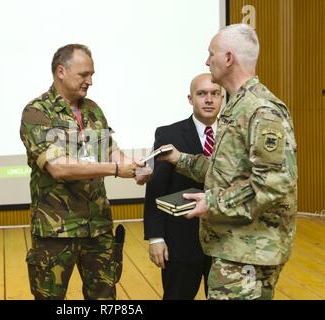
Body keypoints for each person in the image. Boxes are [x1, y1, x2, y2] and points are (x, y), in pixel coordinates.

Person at [158, 24, 298, 300]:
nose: (207, 61)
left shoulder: (261, 110)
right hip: (235, 246)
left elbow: (272, 183)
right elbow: (228, 170)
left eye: (211, 54)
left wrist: (212, 203)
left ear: (229, 58)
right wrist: (179, 158)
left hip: (249, 251)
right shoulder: (237, 105)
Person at [20, 44, 150, 300]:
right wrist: (115, 169)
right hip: (57, 232)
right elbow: (58, 168)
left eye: (92, 75)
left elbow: (110, 149)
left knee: (104, 298)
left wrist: (135, 167)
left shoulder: (92, 109)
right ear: (61, 71)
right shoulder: (36, 112)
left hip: (97, 227)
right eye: (83, 74)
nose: (90, 81)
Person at [144, 73, 223, 299]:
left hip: (225, 243)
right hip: (182, 242)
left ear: (222, 98)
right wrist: (156, 237)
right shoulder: (169, 134)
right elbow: (156, 189)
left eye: (215, 94)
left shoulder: (235, 134)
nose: (209, 99)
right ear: (190, 99)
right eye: (202, 94)